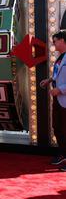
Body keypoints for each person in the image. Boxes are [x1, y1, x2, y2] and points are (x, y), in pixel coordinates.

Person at [40, 30, 66, 172]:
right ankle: (63, 153)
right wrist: (50, 80)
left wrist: (60, 89)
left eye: (55, 40)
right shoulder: (60, 58)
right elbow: (58, 74)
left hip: (62, 96)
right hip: (58, 99)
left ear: (62, 40)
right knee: (57, 127)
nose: (53, 43)